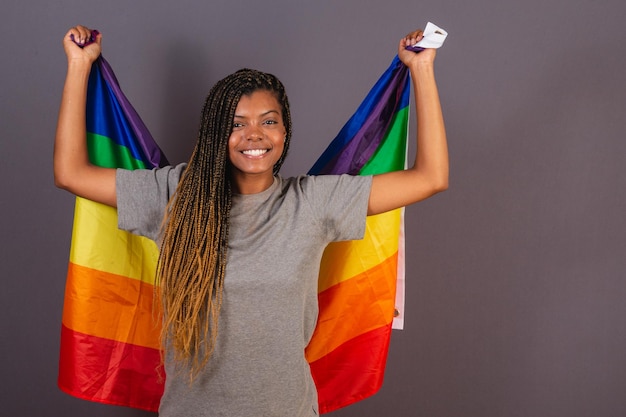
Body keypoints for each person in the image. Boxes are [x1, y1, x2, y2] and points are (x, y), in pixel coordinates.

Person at [54, 25, 448, 417]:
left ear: (285, 131)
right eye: (236, 123)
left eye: (269, 121)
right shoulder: (173, 195)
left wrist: (422, 69)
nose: (254, 135)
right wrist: (78, 65)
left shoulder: (314, 202)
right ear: (215, 133)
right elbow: (70, 173)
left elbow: (431, 177)